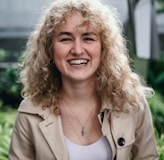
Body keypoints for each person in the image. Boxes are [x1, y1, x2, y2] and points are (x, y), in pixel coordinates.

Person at [9, 0, 159, 159]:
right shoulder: (31, 111)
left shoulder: (131, 102)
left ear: (104, 47)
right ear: (49, 49)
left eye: (88, 38)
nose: (77, 50)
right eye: (66, 39)